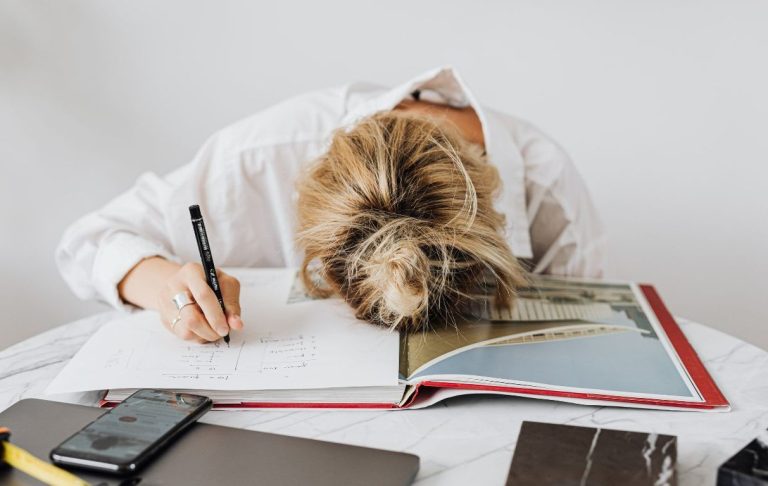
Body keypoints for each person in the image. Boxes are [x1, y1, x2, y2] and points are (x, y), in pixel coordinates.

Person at [56, 67, 604, 343]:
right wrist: (166, 283)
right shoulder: (260, 156)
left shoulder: (548, 184)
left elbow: (584, 334)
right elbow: (88, 241)